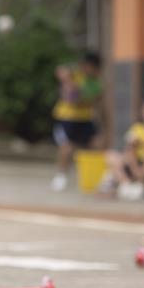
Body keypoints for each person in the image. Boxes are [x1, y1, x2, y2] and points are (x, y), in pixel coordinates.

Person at [50, 52, 102, 191]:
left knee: (97, 143)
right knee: (67, 147)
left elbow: (84, 99)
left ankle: (93, 173)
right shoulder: (76, 74)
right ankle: (61, 176)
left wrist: (75, 90)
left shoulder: (95, 82)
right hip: (67, 118)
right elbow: (60, 71)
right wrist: (67, 80)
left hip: (85, 118)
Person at [99, 96, 144, 200]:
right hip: (134, 162)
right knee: (110, 156)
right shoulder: (138, 128)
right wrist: (135, 169)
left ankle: (141, 186)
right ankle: (126, 185)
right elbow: (129, 150)